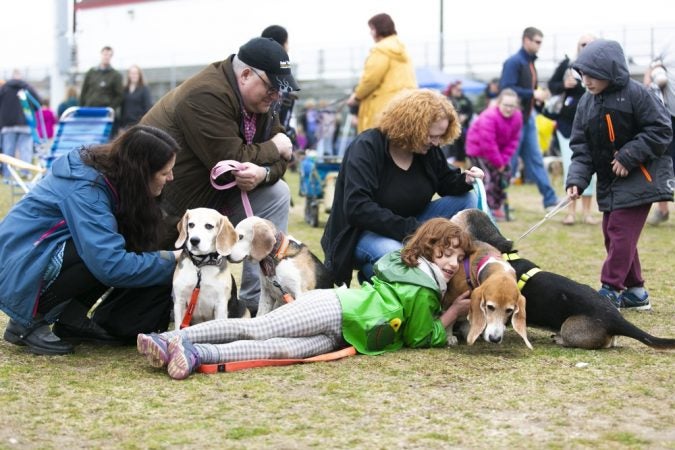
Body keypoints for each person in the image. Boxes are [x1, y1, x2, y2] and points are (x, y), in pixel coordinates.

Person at [137, 218, 473, 380]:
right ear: (427, 252)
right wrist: (454, 311)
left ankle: (196, 354)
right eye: (444, 254)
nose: (451, 265)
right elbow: (420, 336)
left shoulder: (417, 276)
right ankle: (168, 339)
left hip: (345, 335)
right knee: (261, 328)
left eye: (457, 259)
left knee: (274, 349)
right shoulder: (422, 287)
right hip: (336, 308)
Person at [140, 37, 299, 316]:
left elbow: (283, 155)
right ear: (246, 74)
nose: (276, 96)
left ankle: (257, 300)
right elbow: (232, 159)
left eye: (280, 89)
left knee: (277, 192)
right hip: (165, 212)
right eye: (272, 87)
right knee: (137, 315)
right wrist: (274, 148)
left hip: (213, 197)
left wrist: (263, 173)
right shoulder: (205, 95)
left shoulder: (260, 102)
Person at [0, 125, 180, 355]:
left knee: (121, 237)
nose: (171, 178)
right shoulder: (88, 189)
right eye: (165, 173)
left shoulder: (113, 178)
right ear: (141, 172)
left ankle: (72, 319)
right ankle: (29, 320)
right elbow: (110, 266)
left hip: (37, 252)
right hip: (21, 259)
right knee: (99, 253)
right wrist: (172, 260)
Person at [321, 89, 484, 286]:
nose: (437, 142)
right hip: (361, 232)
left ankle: (455, 265)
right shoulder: (366, 147)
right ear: (411, 128)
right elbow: (358, 208)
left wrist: (465, 180)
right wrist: (417, 232)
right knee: (395, 253)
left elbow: (445, 180)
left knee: (468, 200)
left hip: (410, 227)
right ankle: (378, 273)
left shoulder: (428, 150)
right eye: (432, 136)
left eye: (441, 136)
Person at [567, 39, 673, 311]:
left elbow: (661, 130)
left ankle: (610, 289)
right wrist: (577, 180)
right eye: (583, 75)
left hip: (642, 178)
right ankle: (636, 292)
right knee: (612, 234)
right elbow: (581, 148)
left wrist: (629, 155)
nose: (586, 80)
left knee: (620, 232)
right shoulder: (585, 104)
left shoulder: (637, 94)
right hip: (609, 182)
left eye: (592, 74)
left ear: (610, 71)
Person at [499, 27, 559, 210]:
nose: (540, 45)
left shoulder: (530, 63)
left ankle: (550, 200)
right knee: (510, 162)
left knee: (536, 160)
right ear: (526, 40)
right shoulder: (514, 62)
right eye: (537, 41)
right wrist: (533, 93)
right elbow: (507, 88)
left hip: (529, 118)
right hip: (515, 120)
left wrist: (537, 96)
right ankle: (497, 202)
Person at [548, 34, 598, 226]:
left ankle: (587, 212)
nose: (586, 47)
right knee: (571, 167)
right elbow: (552, 85)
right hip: (567, 126)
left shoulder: (602, 67)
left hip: (592, 125)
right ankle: (570, 212)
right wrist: (564, 85)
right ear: (577, 46)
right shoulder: (568, 65)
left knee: (591, 169)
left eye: (590, 44)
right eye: (583, 44)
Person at [347, 13, 417, 133]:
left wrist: (357, 97)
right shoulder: (402, 49)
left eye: (372, 29)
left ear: (378, 29)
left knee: (376, 145)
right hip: (405, 105)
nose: (370, 33)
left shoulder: (380, 50)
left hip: (383, 108)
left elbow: (370, 80)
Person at [465, 88, 523, 220]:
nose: (509, 109)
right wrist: (499, 163)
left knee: (503, 178)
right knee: (487, 179)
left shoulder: (518, 117)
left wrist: (503, 162)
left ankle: (497, 207)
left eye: (512, 106)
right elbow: (488, 143)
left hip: (499, 154)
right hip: (478, 150)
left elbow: (514, 140)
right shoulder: (489, 117)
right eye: (506, 105)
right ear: (498, 103)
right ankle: (486, 211)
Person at [644, 38, 675, 226]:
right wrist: (649, 85)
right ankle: (662, 209)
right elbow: (651, 69)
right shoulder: (668, 45)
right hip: (666, 114)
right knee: (662, 159)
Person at [0, 69, 42, 177]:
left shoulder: (4, 88)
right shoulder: (28, 88)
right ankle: (25, 172)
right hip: (26, 122)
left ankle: (7, 174)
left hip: (7, 123)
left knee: (8, 150)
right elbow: (38, 103)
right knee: (25, 150)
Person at [261, 25, 298, 147]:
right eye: (287, 43)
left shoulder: (257, 66)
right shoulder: (281, 67)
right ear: (283, 44)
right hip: (272, 139)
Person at [80, 45, 124, 133]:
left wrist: (110, 109)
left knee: (104, 139)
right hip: (90, 111)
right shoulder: (91, 72)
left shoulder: (115, 75)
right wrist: (82, 108)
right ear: (101, 55)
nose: (106, 57)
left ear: (111, 57)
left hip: (105, 114)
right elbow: (83, 91)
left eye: (109, 55)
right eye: (105, 54)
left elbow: (120, 96)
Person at [442, 80, 474, 168]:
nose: (459, 91)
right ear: (452, 89)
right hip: (449, 129)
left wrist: (466, 117)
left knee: (461, 149)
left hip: (462, 129)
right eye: (457, 89)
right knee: (449, 147)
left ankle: (460, 164)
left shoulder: (465, 100)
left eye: (460, 90)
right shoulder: (446, 99)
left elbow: (470, 111)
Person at [119, 65, 153, 130]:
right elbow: (122, 109)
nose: (133, 75)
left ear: (139, 75)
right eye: (132, 73)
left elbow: (148, 108)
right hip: (126, 125)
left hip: (139, 125)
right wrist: (121, 125)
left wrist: (143, 124)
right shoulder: (125, 89)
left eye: (136, 73)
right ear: (129, 75)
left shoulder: (144, 89)